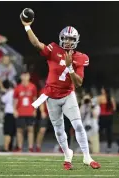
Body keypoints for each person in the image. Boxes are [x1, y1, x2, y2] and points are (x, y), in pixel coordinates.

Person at [20, 13, 100, 169]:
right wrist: (27, 26)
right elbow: (37, 44)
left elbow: (78, 83)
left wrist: (70, 67)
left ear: (76, 40)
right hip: (51, 96)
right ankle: (67, 154)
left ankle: (87, 157)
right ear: (61, 38)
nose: (68, 41)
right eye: (67, 38)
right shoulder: (53, 49)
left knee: (77, 125)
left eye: (71, 39)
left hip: (67, 95)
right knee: (58, 129)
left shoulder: (81, 57)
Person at [13, 71, 37, 152]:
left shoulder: (33, 87)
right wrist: (14, 110)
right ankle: (19, 147)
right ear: (21, 77)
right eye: (23, 75)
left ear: (29, 76)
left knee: (30, 129)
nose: (25, 77)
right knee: (19, 130)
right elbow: (15, 100)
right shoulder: (17, 87)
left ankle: (30, 147)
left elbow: (34, 99)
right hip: (20, 111)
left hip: (30, 111)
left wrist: (34, 109)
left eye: (26, 75)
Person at [98, 87, 116, 153]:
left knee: (99, 131)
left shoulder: (100, 98)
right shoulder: (111, 98)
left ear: (104, 90)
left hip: (102, 116)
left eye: (102, 89)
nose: (101, 90)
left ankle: (98, 145)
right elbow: (114, 108)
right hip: (109, 116)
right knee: (109, 131)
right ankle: (109, 146)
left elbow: (96, 106)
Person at [1, 80, 16, 151]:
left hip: (9, 114)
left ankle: (6, 147)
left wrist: (6, 92)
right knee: (12, 133)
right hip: (15, 115)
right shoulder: (16, 92)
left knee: (7, 132)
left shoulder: (10, 92)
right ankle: (10, 147)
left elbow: (2, 99)